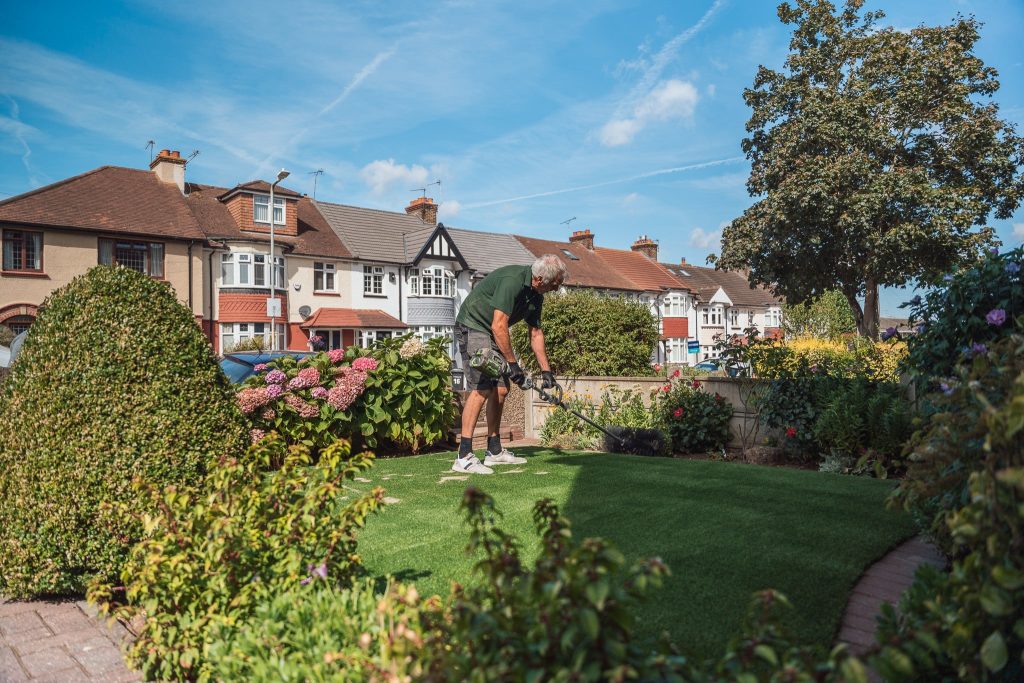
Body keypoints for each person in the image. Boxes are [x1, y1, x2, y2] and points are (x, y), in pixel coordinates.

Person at [452, 254, 567, 474]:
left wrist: (546, 371)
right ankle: (464, 455)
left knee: (502, 389)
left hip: (493, 332)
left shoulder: (536, 296)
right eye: (555, 284)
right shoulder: (512, 281)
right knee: (482, 388)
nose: (556, 289)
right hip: (473, 325)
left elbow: (535, 332)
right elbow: (498, 325)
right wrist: (514, 365)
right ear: (540, 279)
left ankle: (494, 451)